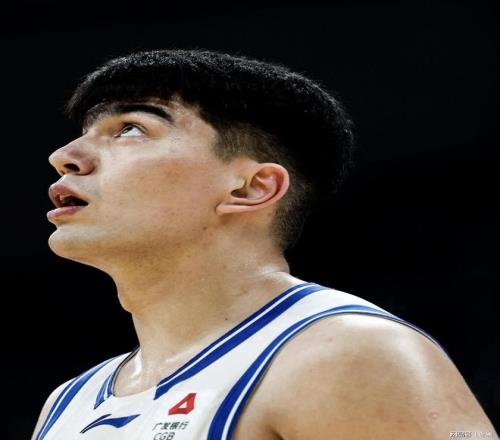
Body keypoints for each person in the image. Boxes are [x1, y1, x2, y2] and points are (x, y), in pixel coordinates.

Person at [32, 49, 497, 440]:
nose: (64, 156)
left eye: (130, 129)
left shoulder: (348, 353)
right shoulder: (69, 402)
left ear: (250, 188)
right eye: (82, 134)